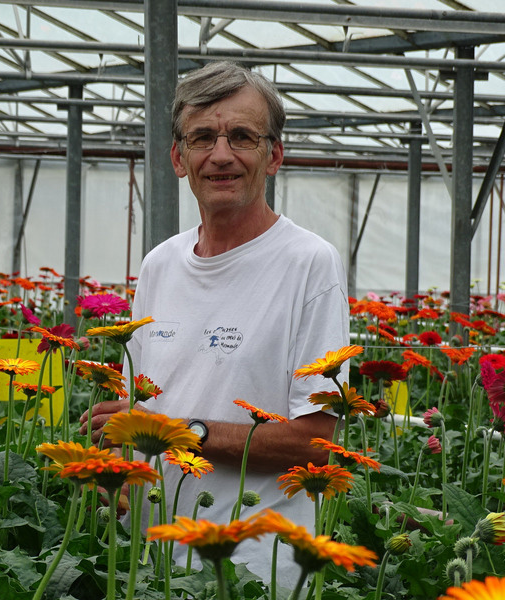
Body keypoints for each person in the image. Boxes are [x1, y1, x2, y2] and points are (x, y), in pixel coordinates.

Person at [80, 61, 350, 588]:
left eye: (242, 137)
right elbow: (149, 406)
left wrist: (182, 433)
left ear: (273, 155)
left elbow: (318, 443)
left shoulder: (308, 264)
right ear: (179, 158)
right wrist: (122, 450)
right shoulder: (160, 264)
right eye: (202, 137)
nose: (220, 155)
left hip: (253, 571)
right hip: (152, 563)